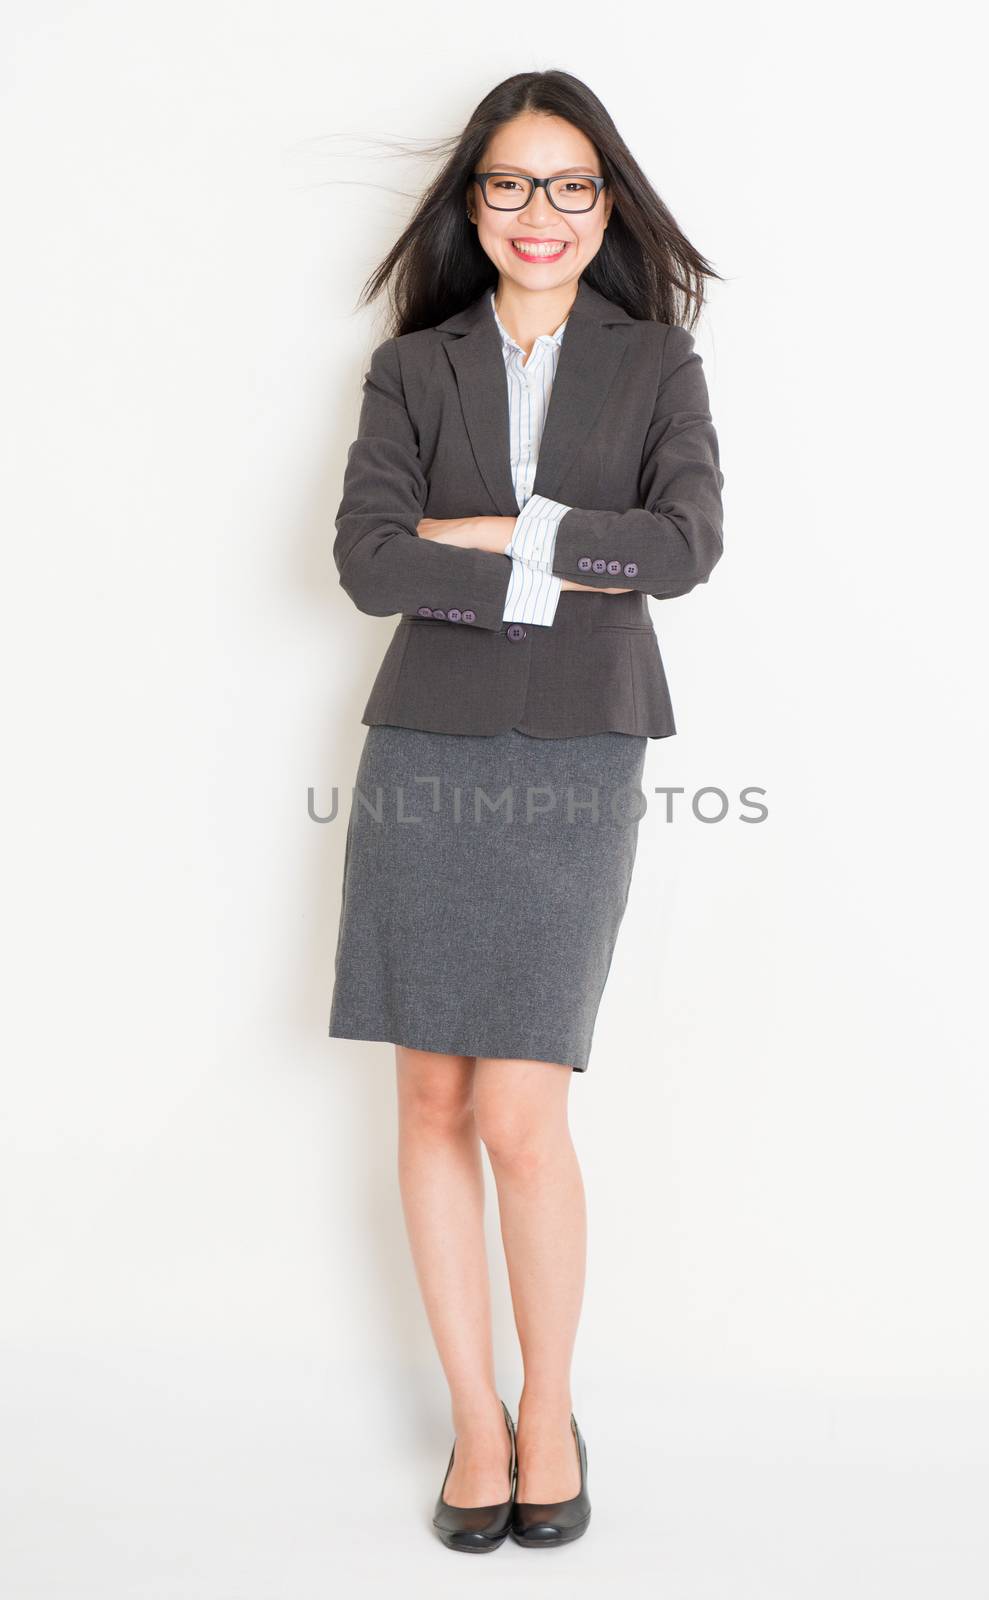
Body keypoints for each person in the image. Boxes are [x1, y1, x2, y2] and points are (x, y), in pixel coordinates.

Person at [328, 69, 725, 1551]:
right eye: (509, 185)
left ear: (604, 205)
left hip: (577, 751)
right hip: (423, 751)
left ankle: (548, 1407)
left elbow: (683, 549)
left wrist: (502, 534)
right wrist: (560, 562)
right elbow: (371, 564)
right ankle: (474, 1423)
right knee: (427, 1096)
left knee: (518, 1111)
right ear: (473, 205)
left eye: (568, 187)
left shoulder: (657, 362)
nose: (538, 213)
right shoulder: (413, 368)